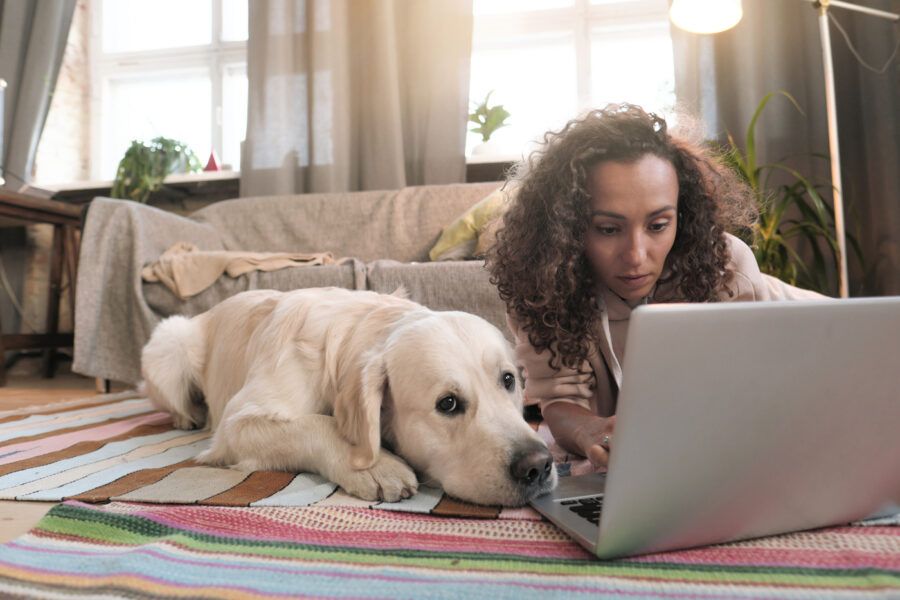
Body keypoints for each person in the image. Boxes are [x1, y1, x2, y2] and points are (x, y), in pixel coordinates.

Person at [487, 103, 823, 470]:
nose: (635, 255)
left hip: (823, 347)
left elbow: (753, 392)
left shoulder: (725, 266)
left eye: (659, 225)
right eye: (608, 229)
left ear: (683, 215)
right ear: (567, 228)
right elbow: (559, 402)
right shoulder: (544, 288)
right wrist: (592, 430)